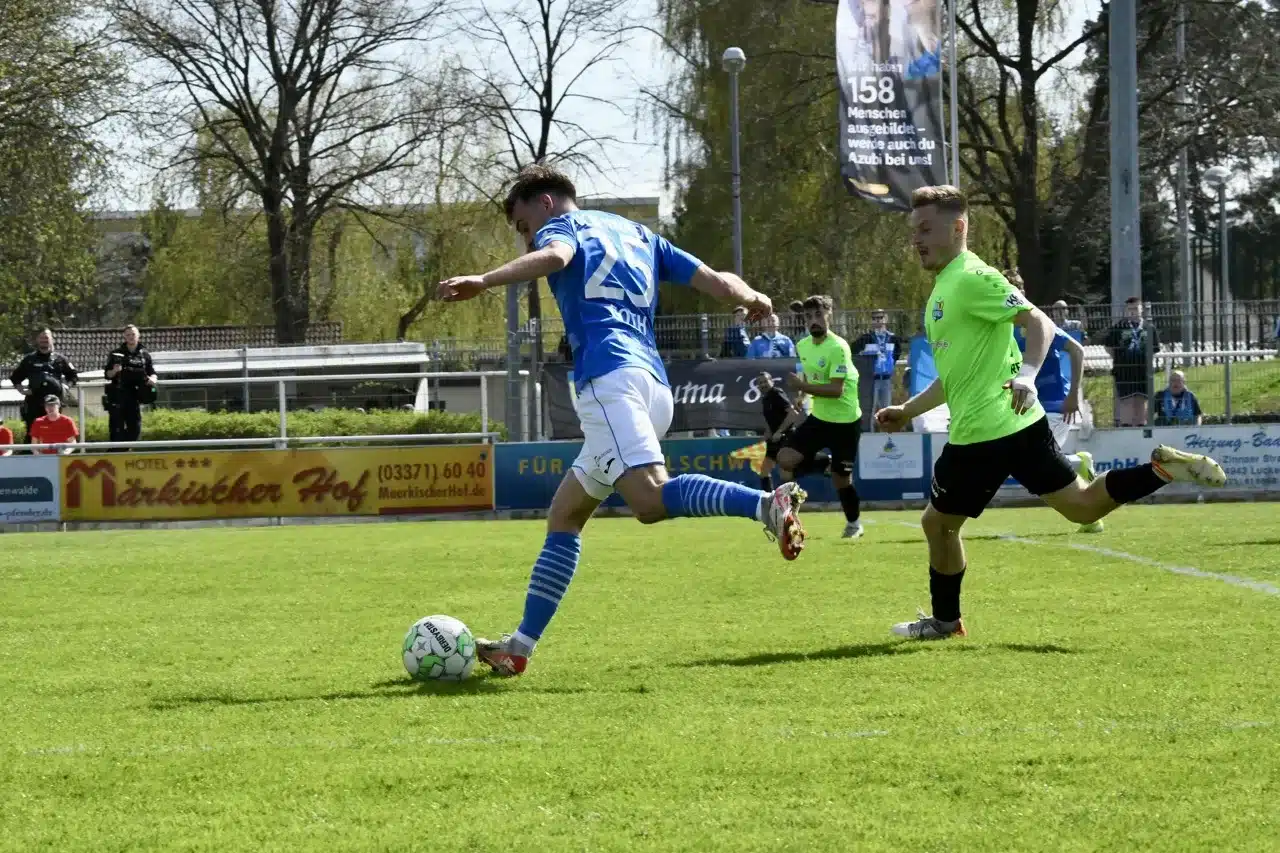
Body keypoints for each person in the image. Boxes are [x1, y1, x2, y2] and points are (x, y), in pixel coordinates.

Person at [436, 164, 806, 676]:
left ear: (544, 203)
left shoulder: (562, 228)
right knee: (566, 514)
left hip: (609, 379)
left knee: (650, 500)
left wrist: (486, 280)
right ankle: (518, 646)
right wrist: (754, 298)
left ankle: (765, 503)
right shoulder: (640, 234)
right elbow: (720, 285)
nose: (527, 241)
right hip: (652, 387)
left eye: (523, 227)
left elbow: (555, 256)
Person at [874, 185, 1227, 641]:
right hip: (1021, 425)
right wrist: (906, 409)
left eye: (925, 229)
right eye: (913, 231)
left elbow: (1039, 321)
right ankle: (1160, 470)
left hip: (983, 435)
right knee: (1083, 507)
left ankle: (945, 623)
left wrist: (1029, 372)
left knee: (936, 523)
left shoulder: (972, 277)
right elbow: (954, 375)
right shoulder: (947, 286)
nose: (915, 239)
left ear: (958, 227)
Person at [1006, 269, 1104, 534]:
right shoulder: (1005, 328)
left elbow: (1077, 350)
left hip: (1053, 406)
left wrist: (1074, 395)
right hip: (1028, 408)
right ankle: (1089, 513)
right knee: (1034, 469)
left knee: (1038, 467)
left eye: (1013, 290)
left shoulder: (1038, 322)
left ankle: (1079, 466)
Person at [776, 295, 866, 540]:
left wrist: (803, 388)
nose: (813, 321)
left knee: (841, 480)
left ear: (829, 316)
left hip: (846, 422)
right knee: (785, 458)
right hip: (820, 418)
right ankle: (823, 465)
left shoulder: (839, 347)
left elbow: (836, 390)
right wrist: (801, 396)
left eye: (818, 315)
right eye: (808, 317)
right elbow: (808, 376)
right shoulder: (803, 345)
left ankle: (854, 524)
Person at [8, 328, 78, 439]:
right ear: (37, 340)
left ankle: (54, 455)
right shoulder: (29, 359)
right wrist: (22, 390)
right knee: (32, 433)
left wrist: (66, 386)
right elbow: (15, 377)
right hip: (34, 402)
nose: (44, 340)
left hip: (53, 403)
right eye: (41, 337)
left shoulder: (60, 359)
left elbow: (73, 376)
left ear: (51, 340)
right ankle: (31, 455)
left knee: (55, 432)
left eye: (46, 337)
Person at [756, 371, 817, 492]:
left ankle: (793, 501)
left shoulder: (776, 393)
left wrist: (779, 431)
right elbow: (772, 420)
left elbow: (793, 413)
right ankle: (769, 500)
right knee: (764, 471)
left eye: (765, 381)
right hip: (774, 440)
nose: (763, 384)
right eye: (760, 383)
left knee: (785, 475)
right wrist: (766, 435)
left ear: (771, 381)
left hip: (786, 437)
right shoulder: (765, 398)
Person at [1105, 296, 1157, 427]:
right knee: (1126, 400)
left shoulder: (1148, 327)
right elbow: (1108, 346)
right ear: (1126, 310)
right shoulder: (1119, 327)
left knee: (1141, 400)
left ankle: (1141, 427)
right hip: (1124, 371)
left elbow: (1154, 349)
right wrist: (1119, 359)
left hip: (1143, 370)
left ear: (1141, 309)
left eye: (1136, 308)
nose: (1133, 311)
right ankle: (1126, 428)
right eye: (1130, 309)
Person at [104, 324, 158, 448]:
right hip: (118, 395)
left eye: (133, 334)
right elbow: (107, 375)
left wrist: (153, 379)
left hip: (135, 396)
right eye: (128, 335)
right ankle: (116, 455)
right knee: (117, 430)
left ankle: (124, 452)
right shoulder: (116, 354)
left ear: (138, 336)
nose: (131, 337)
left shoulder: (144, 354)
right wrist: (115, 371)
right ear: (124, 337)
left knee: (135, 429)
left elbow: (152, 372)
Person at [853, 308, 905, 419]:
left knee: (887, 411)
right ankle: (868, 434)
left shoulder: (893, 338)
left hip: (886, 379)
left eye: (880, 317)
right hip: (871, 380)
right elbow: (853, 353)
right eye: (874, 318)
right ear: (871, 321)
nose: (877, 320)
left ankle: (886, 435)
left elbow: (897, 354)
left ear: (885, 319)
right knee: (869, 411)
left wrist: (889, 364)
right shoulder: (865, 338)